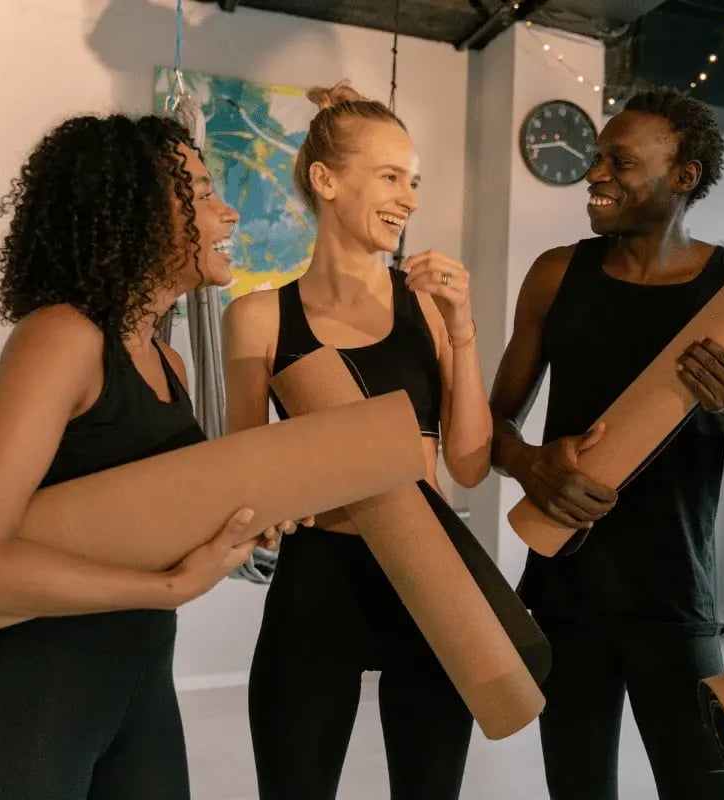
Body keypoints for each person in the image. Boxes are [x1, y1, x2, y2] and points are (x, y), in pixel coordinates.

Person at [0, 114, 268, 799]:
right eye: (202, 192)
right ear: (136, 211)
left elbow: (137, 523)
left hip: (137, 688)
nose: (227, 212)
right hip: (21, 702)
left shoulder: (168, 363)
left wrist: (243, 522)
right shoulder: (63, 339)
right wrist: (169, 589)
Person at [489, 86, 724, 800]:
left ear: (683, 176)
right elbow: (492, 427)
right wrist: (530, 463)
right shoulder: (556, 274)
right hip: (565, 590)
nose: (595, 174)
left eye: (619, 162)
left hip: (674, 594)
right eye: (597, 158)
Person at [222, 81, 493, 800]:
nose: (409, 199)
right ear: (326, 180)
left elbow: (469, 464)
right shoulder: (257, 318)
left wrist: (463, 330)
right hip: (319, 583)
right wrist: (268, 507)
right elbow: (242, 473)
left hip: (430, 574)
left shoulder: (429, 308)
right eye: (391, 177)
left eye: (414, 182)